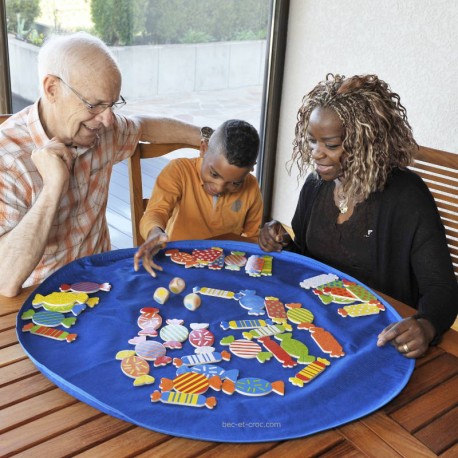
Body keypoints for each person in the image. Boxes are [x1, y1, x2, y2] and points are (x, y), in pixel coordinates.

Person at [258, 73, 458, 359]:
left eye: (331, 144)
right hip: (320, 328)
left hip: (381, 337)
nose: (316, 154)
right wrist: (282, 243)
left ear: (366, 142)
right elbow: (309, 261)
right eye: (312, 141)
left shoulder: (407, 197)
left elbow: (442, 289)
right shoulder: (317, 185)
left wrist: (425, 326)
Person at [0, 32, 201, 297]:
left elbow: (144, 127)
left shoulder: (99, 130)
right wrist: (52, 188)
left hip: (102, 284)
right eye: (94, 105)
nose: (107, 120)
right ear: (51, 89)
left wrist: (209, 138)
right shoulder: (8, 157)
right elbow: (5, 279)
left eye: (112, 105)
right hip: (38, 300)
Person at [133, 119, 263, 277]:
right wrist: (155, 232)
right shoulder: (179, 171)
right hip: (177, 264)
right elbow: (155, 212)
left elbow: (253, 238)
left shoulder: (251, 186)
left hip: (223, 269)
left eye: (235, 183)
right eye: (214, 174)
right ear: (204, 149)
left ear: (250, 169)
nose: (219, 188)